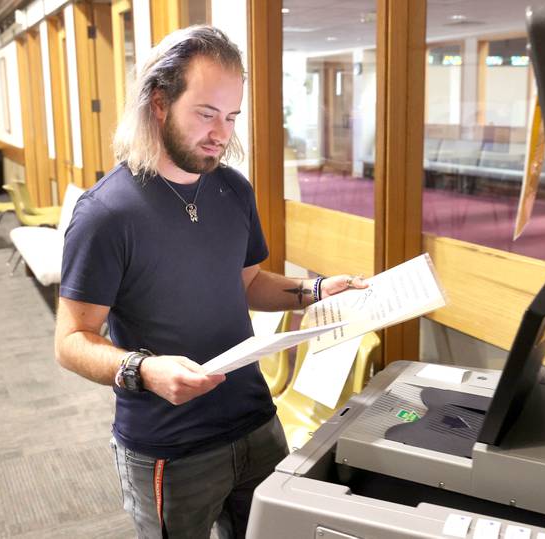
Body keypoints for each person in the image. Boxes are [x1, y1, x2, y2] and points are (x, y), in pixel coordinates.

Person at [54, 25, 366, 539]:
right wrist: (145, 370)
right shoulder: (107, 213)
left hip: (256, 424)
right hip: (170, 447)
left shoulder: (232, 191)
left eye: (231, 116)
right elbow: (70, 342)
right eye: (205, 113)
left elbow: (247, 284)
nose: (221, 133)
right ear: (158, 104)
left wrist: (313, 290)